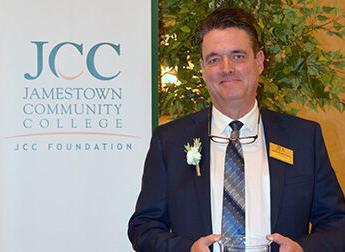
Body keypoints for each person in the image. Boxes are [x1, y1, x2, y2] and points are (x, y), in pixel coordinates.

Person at [128, 7, 345, 252]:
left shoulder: (303, 138)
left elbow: (337, 223)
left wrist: (303, 250)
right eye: (214, 59)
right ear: (202, 68)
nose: (226, 67)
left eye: (238, 56)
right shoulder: (169, 141)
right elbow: (143, 228)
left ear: (259, 61)